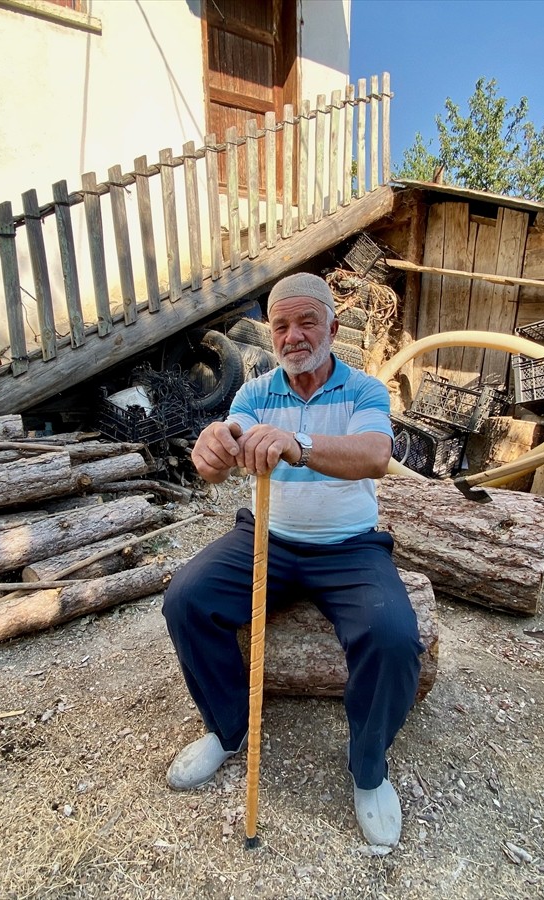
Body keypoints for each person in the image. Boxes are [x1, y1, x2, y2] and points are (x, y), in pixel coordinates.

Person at [161, 272, 423, 847]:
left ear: (332, 326)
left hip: (350, 546)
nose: (294, 335)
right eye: (281, 325)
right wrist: (213, 449)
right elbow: (229, 441)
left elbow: (376, 455)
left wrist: (297, 445)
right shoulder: (256, 393)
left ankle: (369, 770)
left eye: (307, 322)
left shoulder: (365, 391)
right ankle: (226, 731)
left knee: (396, 637)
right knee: (186, 598)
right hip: (268, 539)